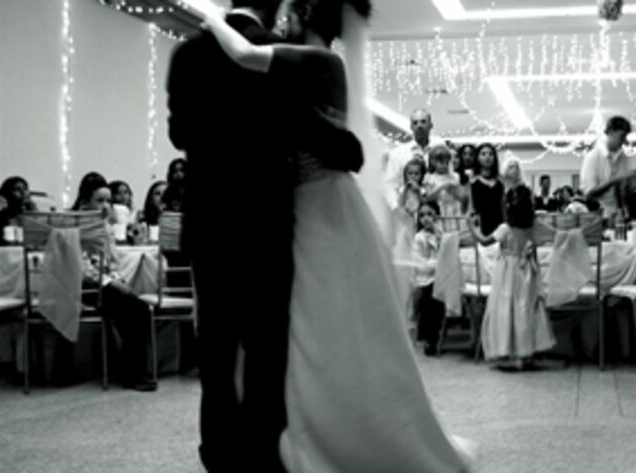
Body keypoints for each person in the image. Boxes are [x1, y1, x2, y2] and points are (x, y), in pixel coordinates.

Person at [202, 1, 477, 471]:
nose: (283, 17)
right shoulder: (320, 62)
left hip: (318, 205)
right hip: (314, 202)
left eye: (290, 10)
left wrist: (210, 16)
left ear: (305, 15)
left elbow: (245, 54)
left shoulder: (319, 60)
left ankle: (326, 428)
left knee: (319, 316)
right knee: (316, 319)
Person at [167, 0, 367, 471]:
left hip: (209, 221)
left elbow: (179, 135)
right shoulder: (277, 55)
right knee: (264, 347)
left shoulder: (187, 53)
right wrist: (347, 148)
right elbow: (305, 127)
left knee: (216, 347)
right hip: (265, 219)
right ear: (275, 6)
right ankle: (261, 454)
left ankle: (218, 454)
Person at [71, 173, 156, 391]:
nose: (106, 205)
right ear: (85, 202)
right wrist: (109, 282)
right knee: (135, 309)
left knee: (139, 308)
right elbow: (81, 265)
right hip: (85, 287)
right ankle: (133, 374)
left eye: (108, 200)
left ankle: (134, 370)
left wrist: (117, 279)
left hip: (106, 284)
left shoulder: (105, 225)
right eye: (100, 200)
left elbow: (111, 261)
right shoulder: (76, 226)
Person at [468, 185, 555, 370]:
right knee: (525, 308)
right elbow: (546, 241)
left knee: (506, 308)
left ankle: (508, 350)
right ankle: (526, 353)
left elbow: (484, 241)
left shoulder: (505, 228)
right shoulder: (533, 226)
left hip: (507, 272)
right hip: (527, 270)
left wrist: (473, 227)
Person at [580, 116, 636, 219]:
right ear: (611, 132)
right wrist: (614, 180)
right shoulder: (593, 157)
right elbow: (589, 194)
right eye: (622, 136)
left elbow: (624, 192)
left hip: (622, 215)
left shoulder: (623, 157)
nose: (625, 141)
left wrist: (633, 186)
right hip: (600, 217)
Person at [383, 108, 444, 211]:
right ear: (411, 127)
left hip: (436, 210)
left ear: (431, 125)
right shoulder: (398, 153)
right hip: (407, 210)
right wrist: (396, 207)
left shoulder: (440, 151)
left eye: (423, 122)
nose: (419, 126)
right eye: (415, 123)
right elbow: (390, 184)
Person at [411, 201, 445, 356]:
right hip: (426, 278)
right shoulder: (418, 238)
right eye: (422, 215)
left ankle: (437, 333)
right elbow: (420, 264)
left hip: (442, 276)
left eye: (430, 214)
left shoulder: (441, 234)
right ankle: (430, 337)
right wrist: (437, 263)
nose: (426, 219)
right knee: (431, 296)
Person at [471, 143, 505, 237]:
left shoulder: (501, 181)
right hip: (480, 226)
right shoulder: (472, 182)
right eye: (483, 154)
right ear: (477, 158)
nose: (487, 157)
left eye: (491, 154)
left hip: (500, 225)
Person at [0, 176, 36, 245]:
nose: (23, 193)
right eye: (17, 189)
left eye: (25, 189)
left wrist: (33, 210)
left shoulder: (30, 210)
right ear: (7, 193)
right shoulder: (0, 213)